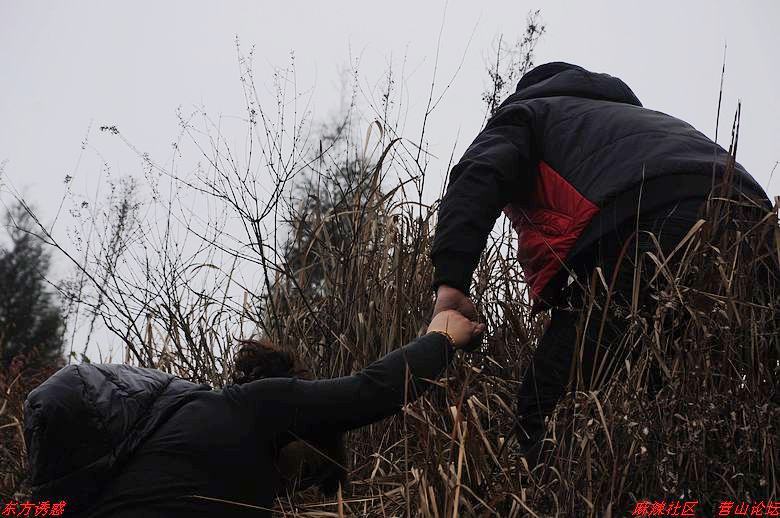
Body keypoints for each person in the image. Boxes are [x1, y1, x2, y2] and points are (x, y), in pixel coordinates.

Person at [430, 61, 771, 461]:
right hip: (759, 225)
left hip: (653, 221)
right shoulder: (644, 120)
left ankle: (554, 487)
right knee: (704, 406)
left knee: (551, 407)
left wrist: (451, 283)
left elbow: (478, 177)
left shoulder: (529, 113)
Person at [24, 310, 484, 517]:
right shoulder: (252, 408)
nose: (292, 490)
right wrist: (443, 337)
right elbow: (371, 392)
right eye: (307, 474)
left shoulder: (140, 453)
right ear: (297, 433)